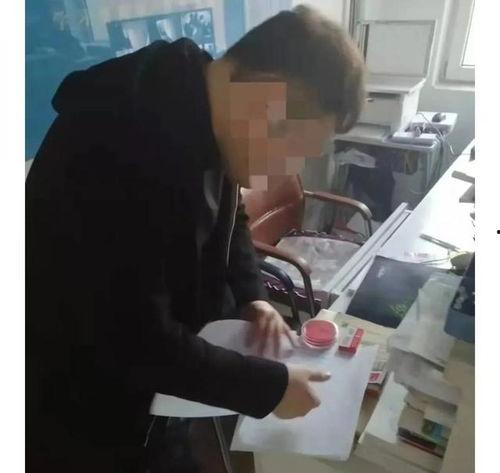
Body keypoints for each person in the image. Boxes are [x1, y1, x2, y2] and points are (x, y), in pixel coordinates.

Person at [26, 6, 365, 472]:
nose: (290, 170)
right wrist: (268, 387)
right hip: (83, 410)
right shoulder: (120, 147)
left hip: (159, 390)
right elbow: (131, 337)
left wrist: (252, 295)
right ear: (263, 101)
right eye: (295, 149)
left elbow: (230, 211)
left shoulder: (205, 103)